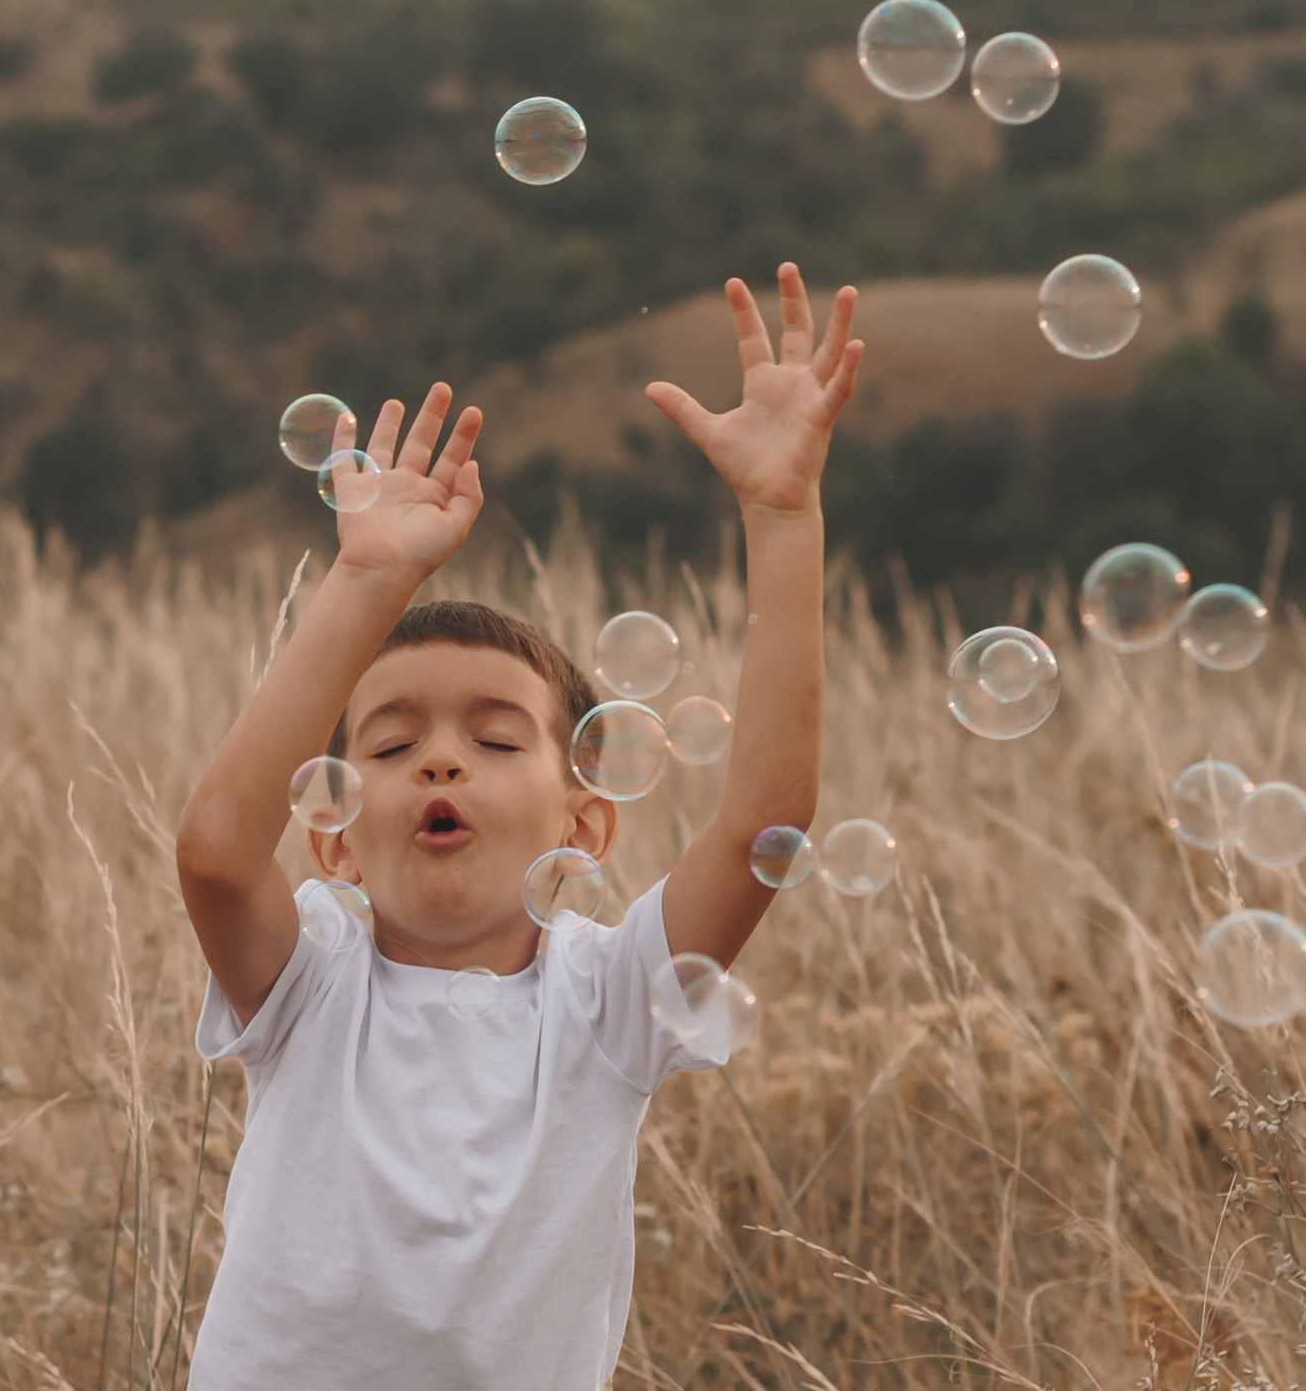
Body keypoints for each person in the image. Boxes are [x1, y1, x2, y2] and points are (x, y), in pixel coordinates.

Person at [173, 264, 863, 1389]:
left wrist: (782, 515)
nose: (441, 756)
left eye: (497, 743)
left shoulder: (603, 1003)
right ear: (335, 835)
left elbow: (763, 826)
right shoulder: (309, 985)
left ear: (583, 823)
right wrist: (366, 579)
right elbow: (212, 848)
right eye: (390, 748)